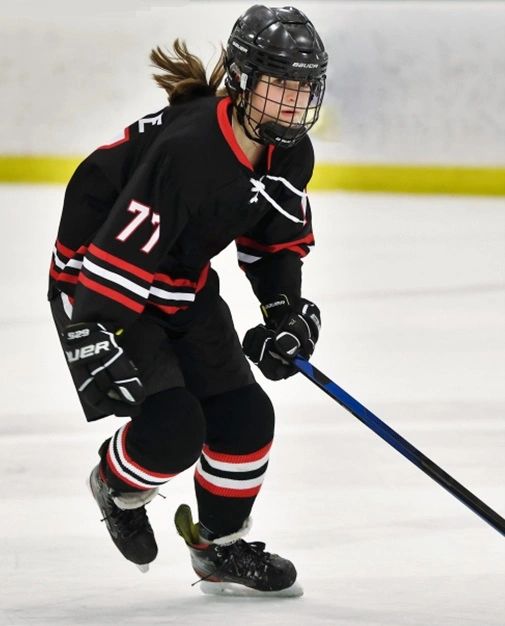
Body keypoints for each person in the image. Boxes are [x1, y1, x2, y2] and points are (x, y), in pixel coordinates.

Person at [48, 4, 328, 596]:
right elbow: (117, 249)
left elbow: (272, 241)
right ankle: (115, 485)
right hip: (98, 276)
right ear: (245, 82)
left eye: (303, 87)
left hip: (178, 277)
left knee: (246, 418)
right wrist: (92, 329)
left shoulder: (290, 154)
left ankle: (218, 548)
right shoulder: (190, 148)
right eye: (279, 84)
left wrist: (283, 313)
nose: (293, 102)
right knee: (173, 427)